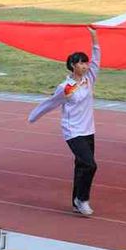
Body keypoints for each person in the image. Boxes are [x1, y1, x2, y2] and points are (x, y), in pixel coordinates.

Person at [28, 27, 100, 215]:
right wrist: (33, 116)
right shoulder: (66, 87)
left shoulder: (89, 79)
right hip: (73, 131)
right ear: (72, 66)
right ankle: (82, 199)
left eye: (85, 62)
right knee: (90, 165)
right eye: (80, 63)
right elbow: (51, 103)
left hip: (88, 130)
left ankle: (76, 202)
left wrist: (94, 38)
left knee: (81, 166)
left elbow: (97, 60)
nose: (85, 65)